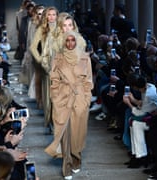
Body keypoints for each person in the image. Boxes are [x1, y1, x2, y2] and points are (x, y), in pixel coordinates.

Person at [44, 31, 93, 180]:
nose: (70, 43)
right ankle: (66, 166)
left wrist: (86, 100)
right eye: (68, 40)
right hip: (63, 99)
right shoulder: (58, 58)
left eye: (73, 40)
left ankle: (76, 158)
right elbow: (54, 81)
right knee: (64, 133)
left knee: (77, 136)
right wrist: (55, 97)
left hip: (79, 99)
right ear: (64, 42)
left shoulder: (85, 58)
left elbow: (88, 82)